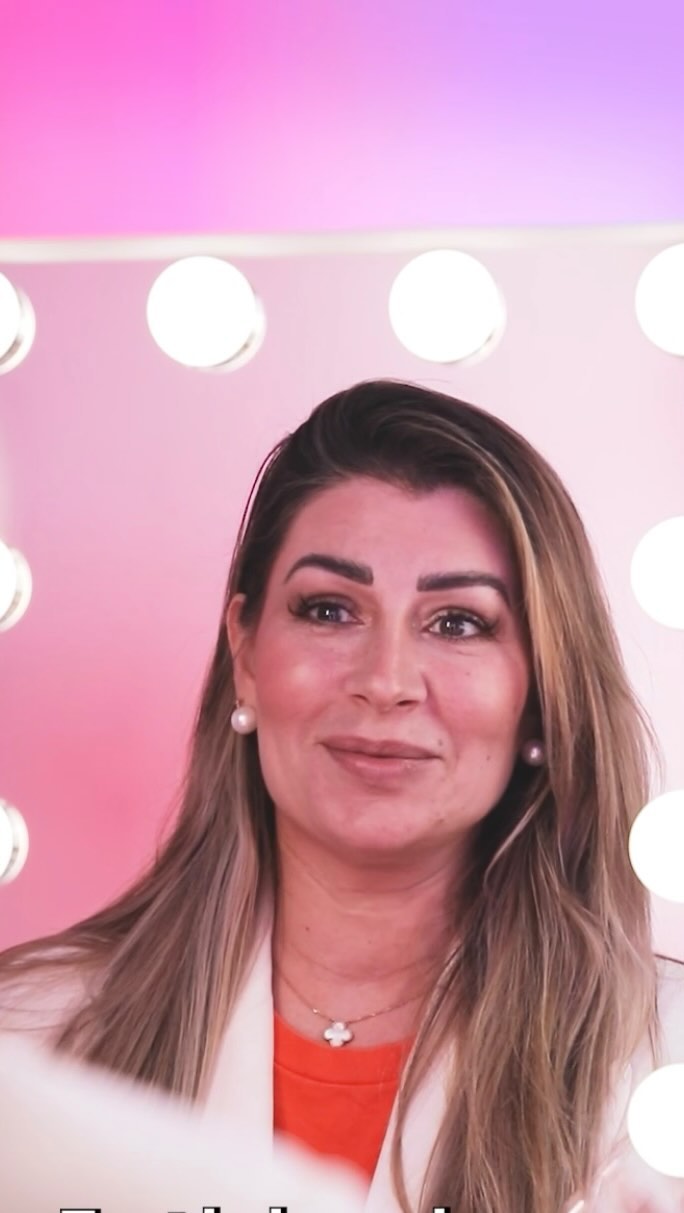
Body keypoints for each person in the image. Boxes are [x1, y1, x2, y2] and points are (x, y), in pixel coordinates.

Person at [1, 378, 683, 1213]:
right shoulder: (24, 1037)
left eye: (458, 622)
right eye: (329, 610)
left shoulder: (667, 1077)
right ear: (247, 653)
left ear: (541, 691)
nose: (386, 680)